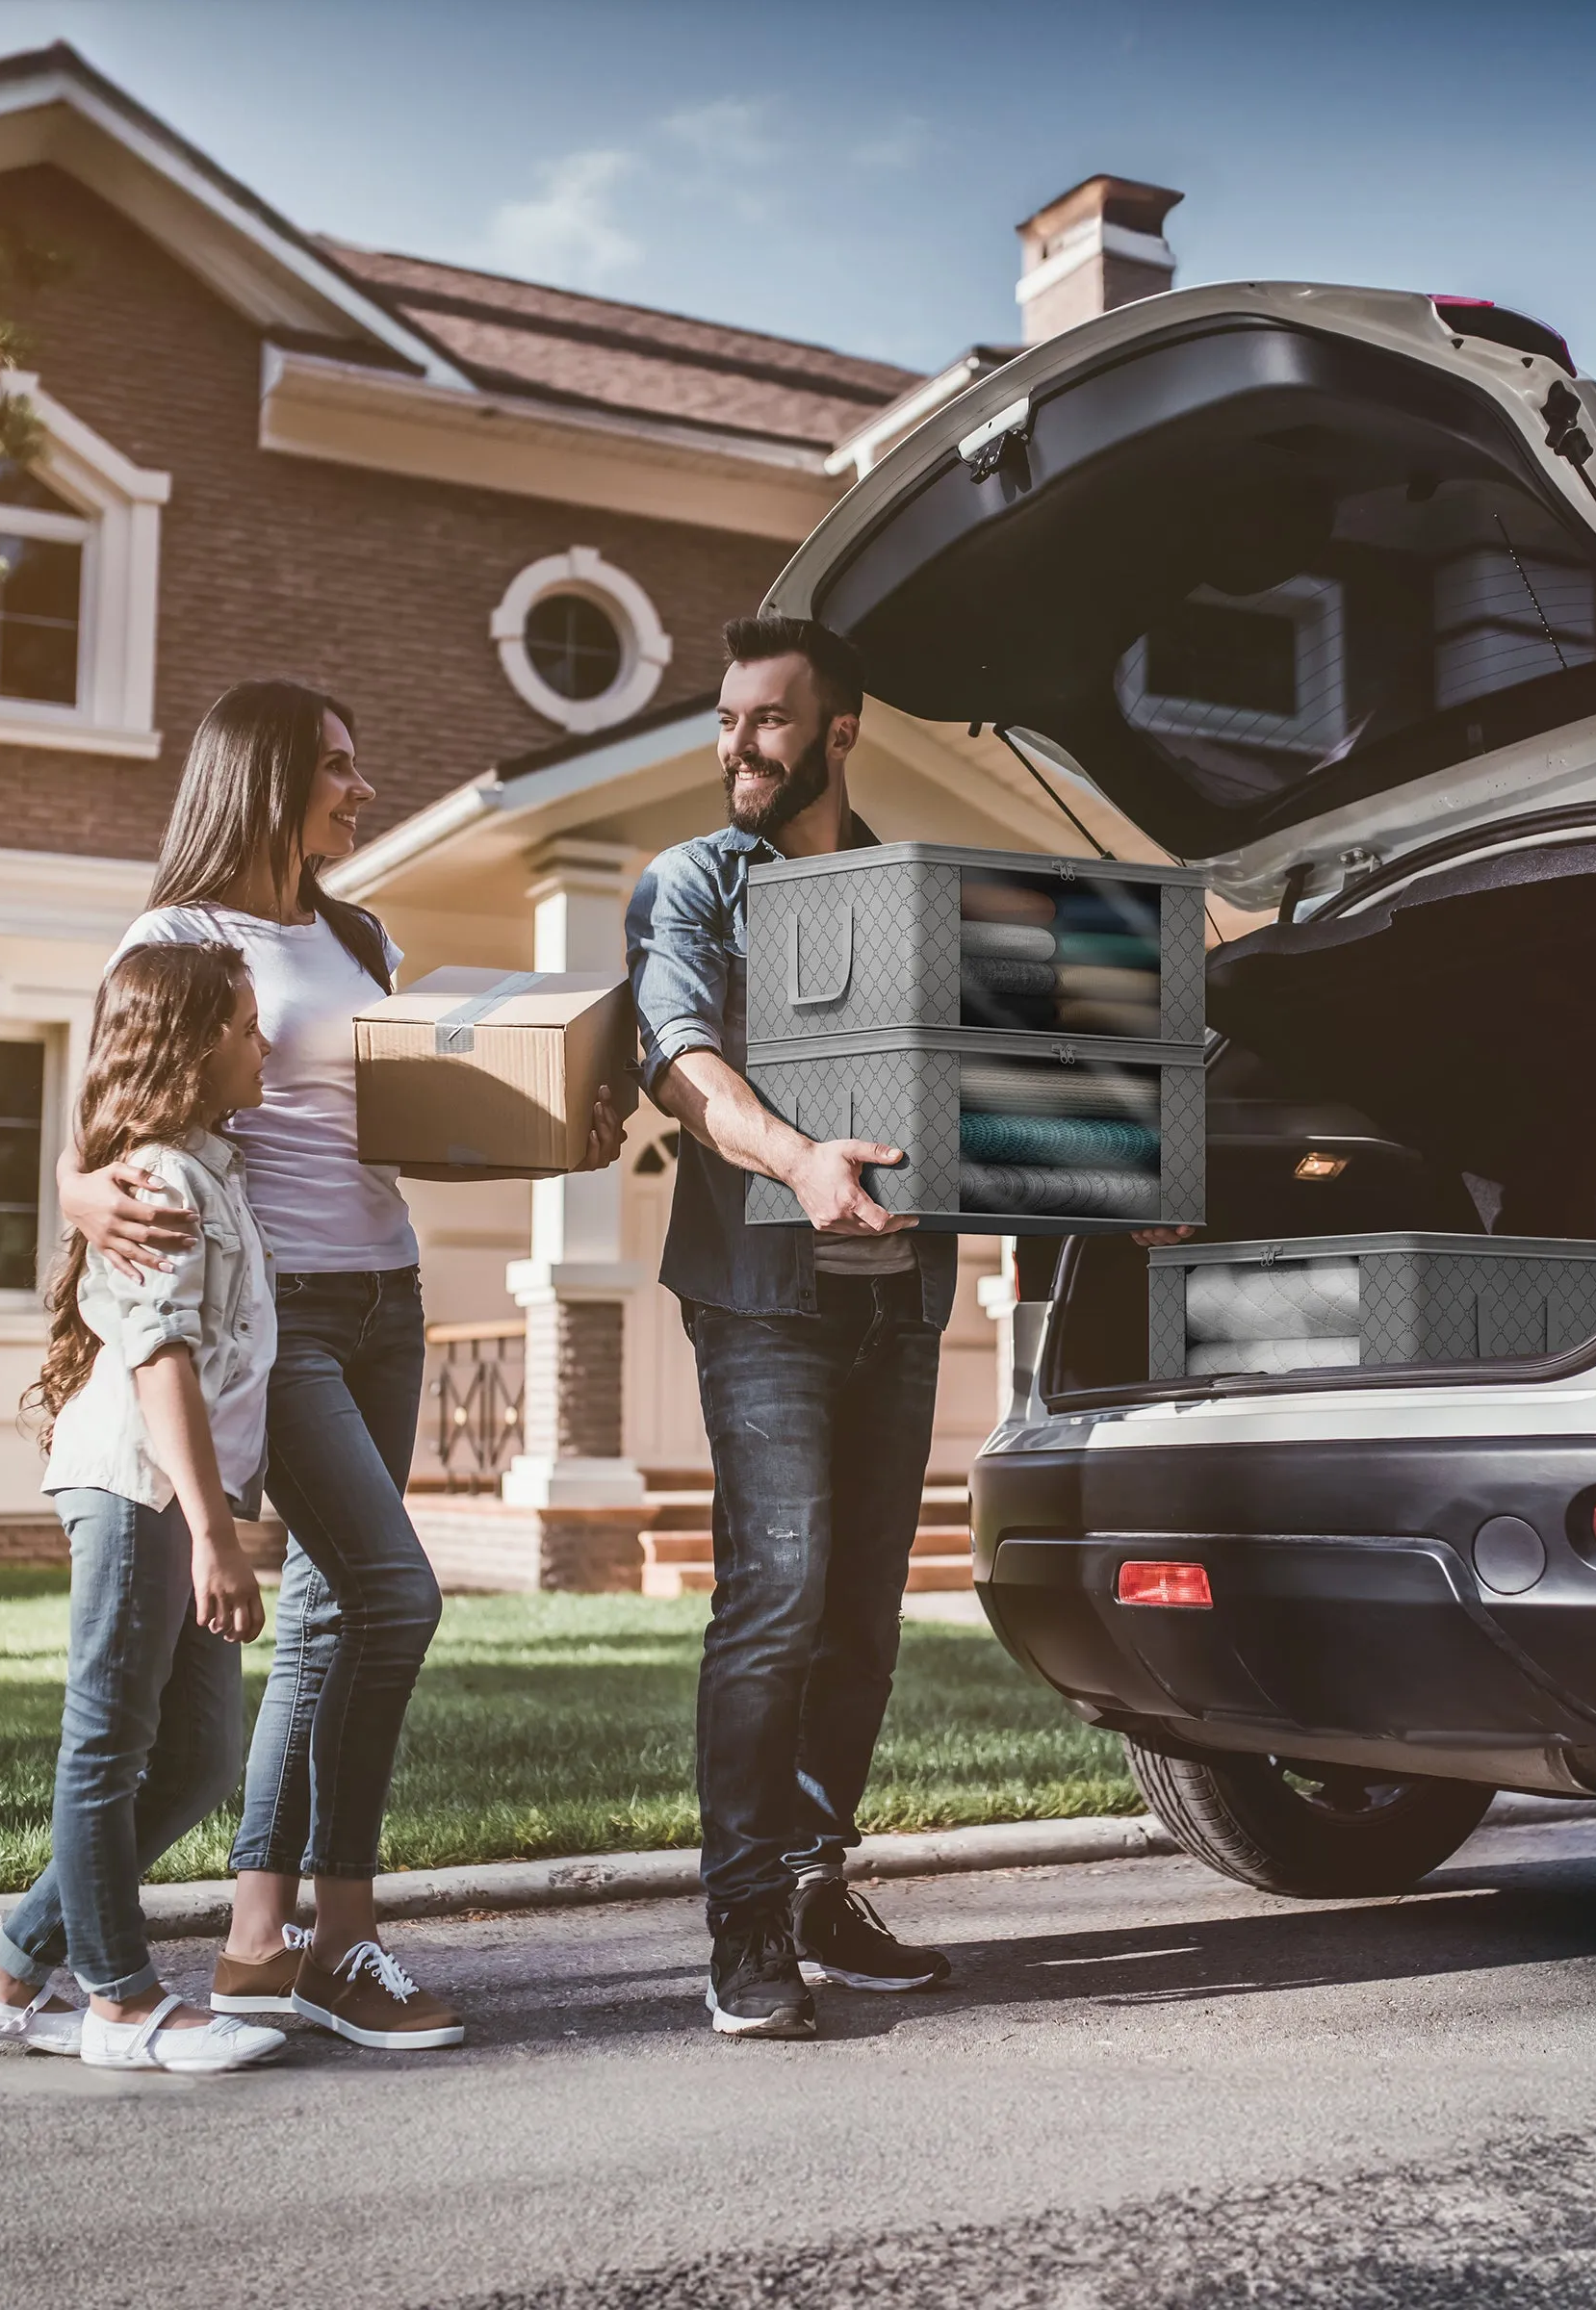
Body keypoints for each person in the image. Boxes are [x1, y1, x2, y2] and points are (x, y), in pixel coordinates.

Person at [61, 680, 623, 2051]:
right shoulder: (179, 935)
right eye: (336, 768)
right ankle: (343, 1936)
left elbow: (386, 1129)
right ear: (262, 776)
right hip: (282, 1315)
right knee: (395, 1596)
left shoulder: (358, 932)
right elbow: (112, 1118)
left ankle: (263, 1941)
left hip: (387, 1294)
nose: (360, 791)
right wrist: (79, 1202)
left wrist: (555, 1136)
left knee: (328, 1616)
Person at [624, 616, 959, 2040]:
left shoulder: (917, 892)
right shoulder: (695, 883)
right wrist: (800, 1156)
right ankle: (745, 1918)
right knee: (778, 1598)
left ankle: (820, 1882)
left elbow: (998, 1070)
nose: (736, 747)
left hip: (902, 1304)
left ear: (838, 734)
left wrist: (1114, 1188)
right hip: (765, 1302)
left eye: (767, 720)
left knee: (863, 1617)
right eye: (724, 720)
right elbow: (682, 1057)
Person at [0, 941, 288, 2073]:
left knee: (194, 1760)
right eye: (245, 1026)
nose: (264, 1043)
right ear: (193, 1048)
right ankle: (122, 2002)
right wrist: (213, 1531)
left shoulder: (211, 1166)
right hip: (139, 1485)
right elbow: (159, 1363)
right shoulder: (159, 1183)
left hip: (176, 1491)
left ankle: (3, 1974)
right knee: (109, 1744)